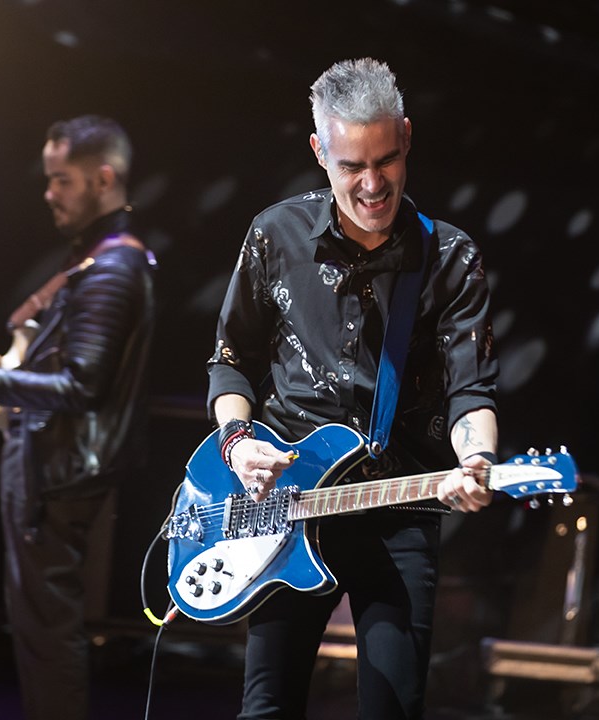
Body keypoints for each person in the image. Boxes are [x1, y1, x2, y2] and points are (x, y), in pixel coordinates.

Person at [207, 58, 499, 719]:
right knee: (266, 708)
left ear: (406, 137)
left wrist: (476, 461)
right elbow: (229, 361)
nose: (373, 185)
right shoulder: (273, 234)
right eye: (351, 167)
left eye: (387, 161)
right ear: (319, 150)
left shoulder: (450, 259)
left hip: (399, 507)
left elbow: (470, 391)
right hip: (287, 506)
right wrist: (237, 444)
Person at [0, 115, 156, 720]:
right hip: (52, 468)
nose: (49, 193)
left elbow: (81, 387)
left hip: (57, 476)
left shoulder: (113, 270)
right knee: (40, 628)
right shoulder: (96, 264)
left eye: (63, 180)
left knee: (48, 631)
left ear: (104, 179)